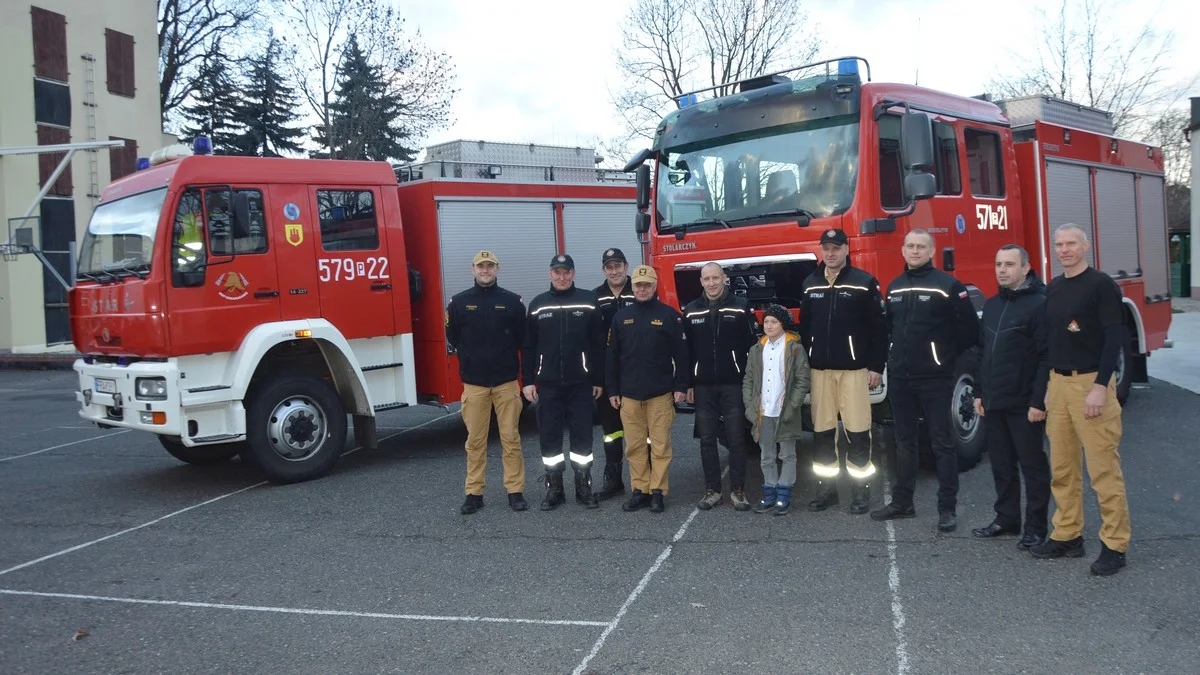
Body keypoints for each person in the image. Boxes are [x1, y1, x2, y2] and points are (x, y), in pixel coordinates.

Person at [1030, 223, 1130, 576]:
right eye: (1059, 244)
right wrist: (1045, 388)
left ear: (1085, 246)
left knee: (1103, 469)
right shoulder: (1054, 288)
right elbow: (1051, 344)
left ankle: (1115, 545)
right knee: (1062, 468)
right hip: (1058, 385)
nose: (1064, 249)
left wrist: (1102, 386)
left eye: (1071, 243)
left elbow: (1114, 338)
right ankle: (1068, 535)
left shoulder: (1101, 285)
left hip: (1090, 383)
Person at [870, 229, 980, 532]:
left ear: (931, 251)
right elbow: (888, 330)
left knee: (942, 443)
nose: (915, 251)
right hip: (902, 378)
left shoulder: (948, 286)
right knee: (904, 442)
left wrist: (942, 358)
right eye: (910, 246)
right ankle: (903, 503)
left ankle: (947, 509)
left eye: (921, 247)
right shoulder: (894, 287)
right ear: (903, 251)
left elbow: (969, 331)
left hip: (936, 378)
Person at [797, 228, 888, 515]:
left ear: (847, 250)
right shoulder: (810, 284)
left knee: (858, 431)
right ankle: (827, 490)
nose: (831, 253)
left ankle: (861, 492)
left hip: (854, 371)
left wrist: (876, 366)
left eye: (837, 248)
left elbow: (879, 330)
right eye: (826, 248)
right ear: (821, 250)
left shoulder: (864, 283)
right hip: (820, 371)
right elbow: (805, 327)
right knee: (822, 432)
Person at [971, 244, 1052, 550]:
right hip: (994, 401)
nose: (1002, 270)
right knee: (1001, 466)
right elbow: (982, 352)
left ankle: (1035, 527)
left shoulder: (1039, 304)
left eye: (1009, 264)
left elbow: (1046, 358)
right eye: (998, 264)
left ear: (1026, 268)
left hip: (1024, 404)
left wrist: (1038, 401)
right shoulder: (992, 305)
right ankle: (1006, 519)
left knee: (1032, 467)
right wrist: (979, 393)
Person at [445, 251, 528, 515]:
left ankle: (515, 491)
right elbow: (453, 336)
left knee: (511, 439)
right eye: (481, 266)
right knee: (475, 441)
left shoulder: (512, 302)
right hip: (475, 385)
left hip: (505, 383)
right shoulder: (458, 304)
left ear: (497, 269)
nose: (485, 270)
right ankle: (474, 493)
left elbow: (521, 339)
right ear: (473, 269)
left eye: (490, 266)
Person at [523, 254, 605, 511]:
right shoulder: (538, 304)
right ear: (550, 274)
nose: (562, 277)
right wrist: (527, 382)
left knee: (582, 441)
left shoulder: (588, 301)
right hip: (547, 386)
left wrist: (598, 379)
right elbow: (528, 347)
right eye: (557, 272)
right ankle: (554, 489)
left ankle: (584, 487)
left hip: (580, 385)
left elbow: (598, 345)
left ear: (573, 274)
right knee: (550, 440)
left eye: (566, 272)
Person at [606, 264, 690, 513]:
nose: (642, 289)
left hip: (660, 394)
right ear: (633, 288)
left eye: (647, 285)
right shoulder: (621, 317)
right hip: (629, 395)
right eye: (638, 285)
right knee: (634, 446)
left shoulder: (669, 316)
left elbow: (682, 354)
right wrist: (612, 390)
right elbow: (612, 357)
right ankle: (639, 490)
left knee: (661, 445)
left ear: (654, 287)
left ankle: (658, 491)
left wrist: (681, 386)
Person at [683, 262, 758, 511]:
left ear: (724, 278)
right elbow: (687, 352)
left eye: (716, 278)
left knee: (737, 439)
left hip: (733, 384)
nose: (712, 283)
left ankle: (738, 490)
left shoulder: (740, 306)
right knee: (707, 440)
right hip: (703, 386)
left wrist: (751, 382)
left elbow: (752, 348)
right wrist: (688, 383)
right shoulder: (691, 310)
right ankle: (713, 490)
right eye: (707, 279)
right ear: (701, 282)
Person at [742, 304, 811, 515]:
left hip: (785, 410)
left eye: (774, 322)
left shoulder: (794, 348)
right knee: (766, 455)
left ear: (783, 324)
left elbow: (802, 380)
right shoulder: (757, 349)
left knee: (788, 454)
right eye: (766, 322)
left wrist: (792, 406)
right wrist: (750, 406)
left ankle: (784, 495)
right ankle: (769, 492)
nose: (769, 326)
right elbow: (749, 379)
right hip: (763, 411)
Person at [592, 248, 636, 500]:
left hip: (636, 373)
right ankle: (613, 479)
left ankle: (645, 479)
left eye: (618, 265)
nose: (614, 270)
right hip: (607, 375)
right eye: (609, 267)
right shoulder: (595, 297)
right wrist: (597, 378)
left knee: (642, 431)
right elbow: (591, 340)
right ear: (603, 270)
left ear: (626, 266)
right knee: (612, 431)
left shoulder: (640, 289)